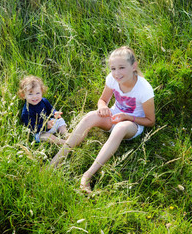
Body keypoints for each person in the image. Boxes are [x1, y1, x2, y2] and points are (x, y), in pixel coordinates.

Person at [50, 46, 155, 193]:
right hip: (113, 116)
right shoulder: (112, 79)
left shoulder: (144, 89)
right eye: (113, 68)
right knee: (91, 115)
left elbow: (150, 121)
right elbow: (103, 100)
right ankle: (55, 161)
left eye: (122, 67)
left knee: (120, 127)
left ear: (134, 66)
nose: (117, 73)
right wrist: (102, 107)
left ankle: (87, 176)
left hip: (132, 125)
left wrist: (127, 117)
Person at [18, 75, 68, 145]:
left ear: (42, 92)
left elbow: (50, 109)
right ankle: (63, 142)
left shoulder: (44, 101)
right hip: (40, 131)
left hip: (50, 123)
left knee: (60, 121)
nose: (35, 97)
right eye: (30, 94)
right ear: (23, 95)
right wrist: (45, 126)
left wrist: (55, 113)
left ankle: (66, 134)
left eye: (37, 93)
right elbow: (32, 128)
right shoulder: (26, 111)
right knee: (47, 137)